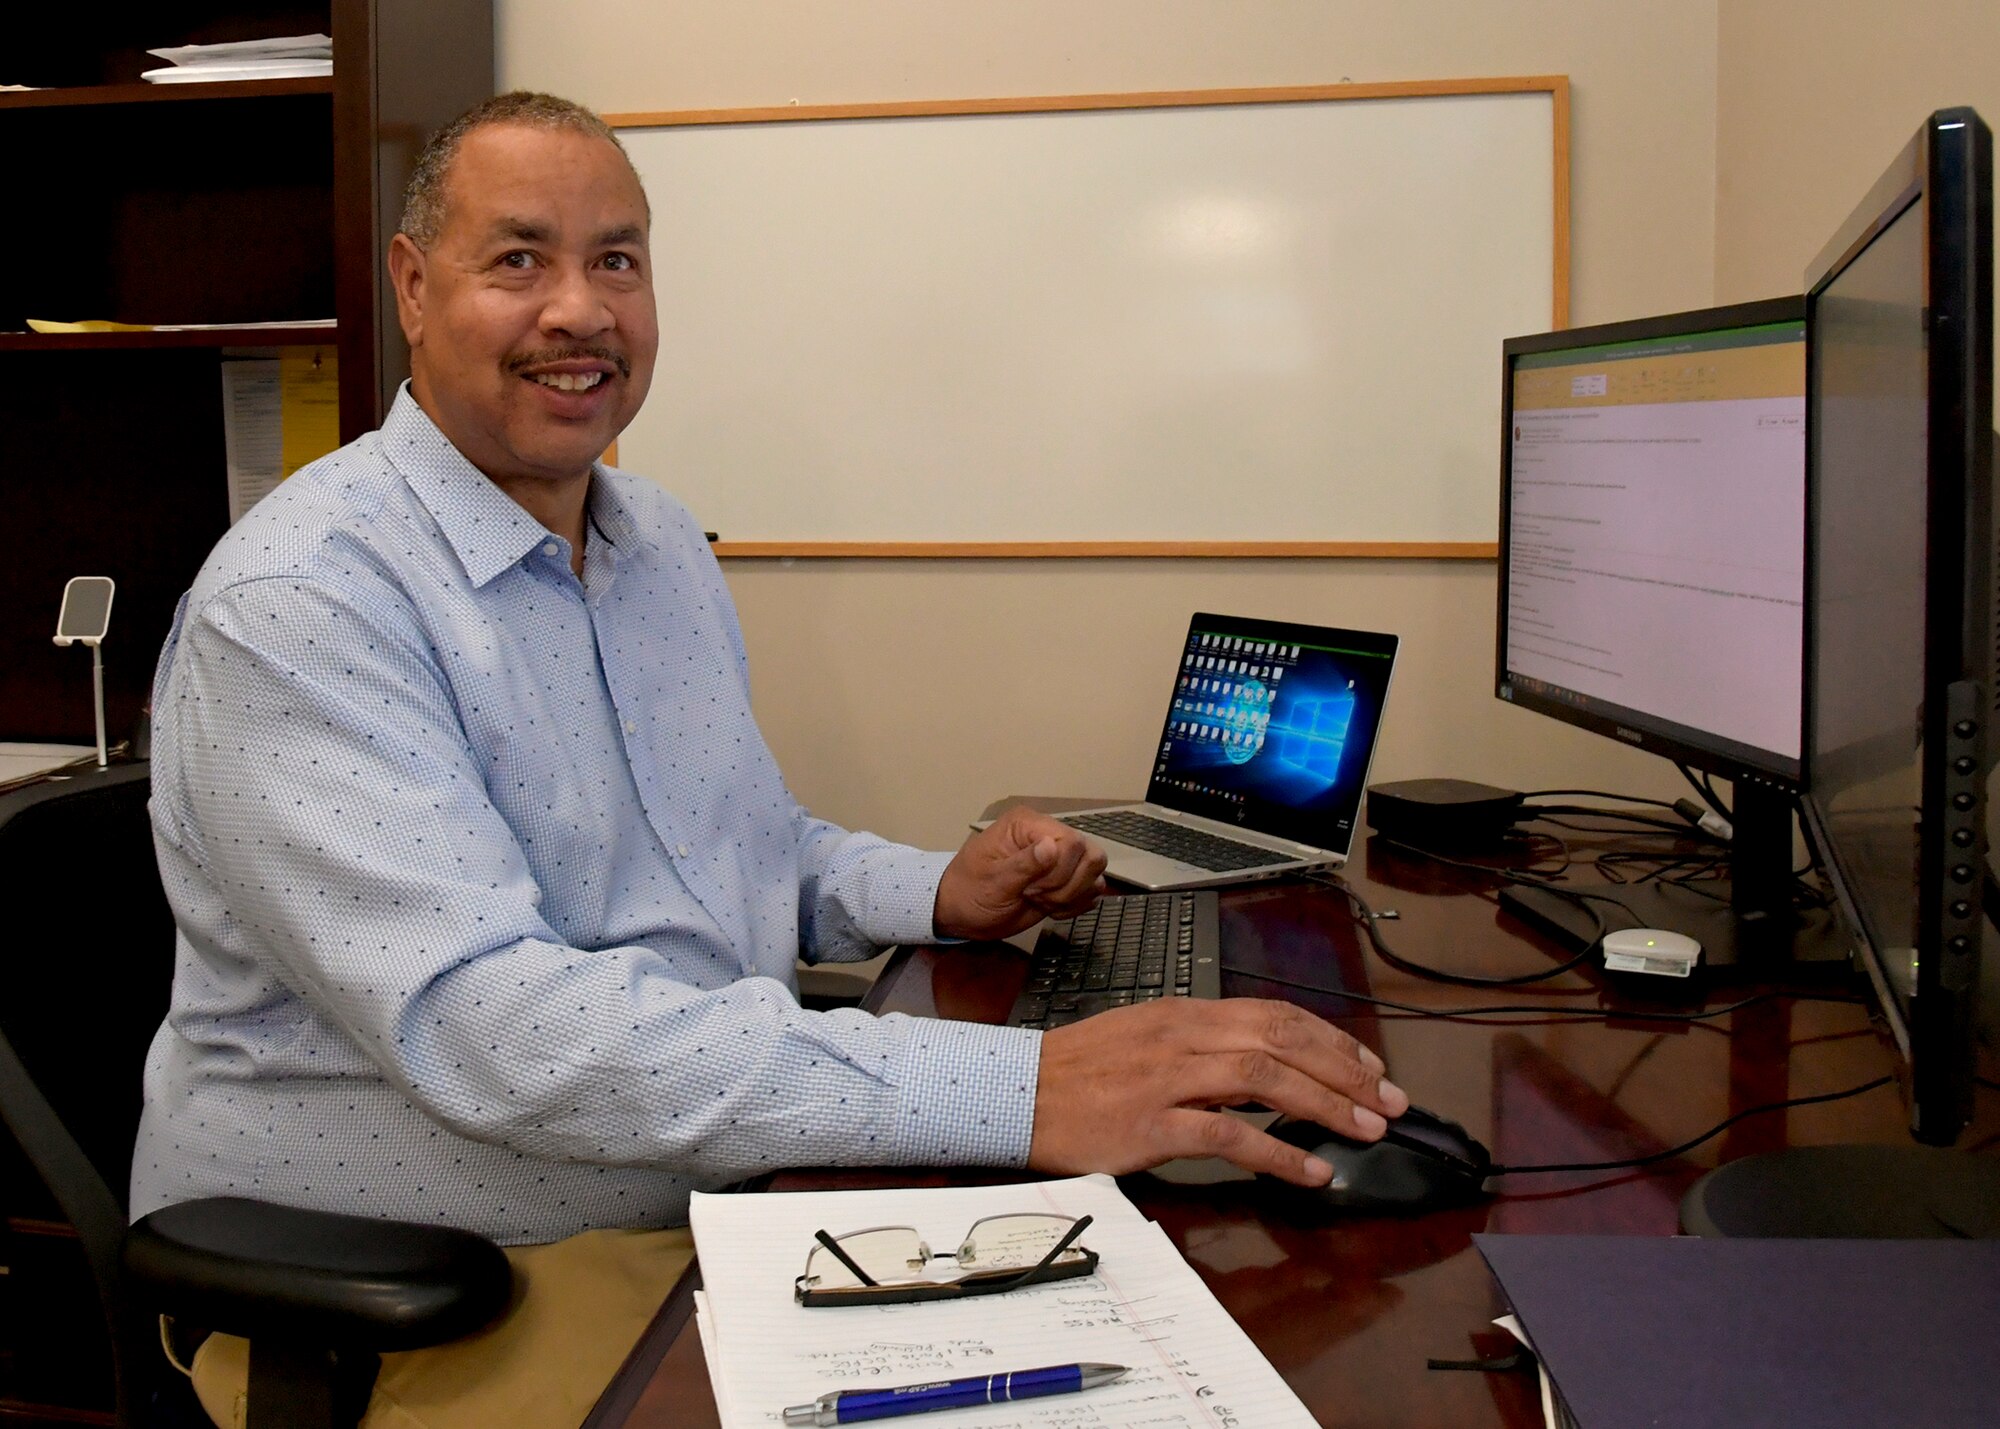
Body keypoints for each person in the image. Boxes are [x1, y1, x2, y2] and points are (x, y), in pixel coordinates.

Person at [135, 92, 1406, 1428]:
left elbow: (744, 841)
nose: (581, 309)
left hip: (703, 1184)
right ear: (411, 284)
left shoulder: (659, 543)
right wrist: (1033, 1086)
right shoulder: (303, 602)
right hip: (435, 1270)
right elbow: (494, 1031)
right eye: (519, 260)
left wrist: (936, 893)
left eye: (616, 259)